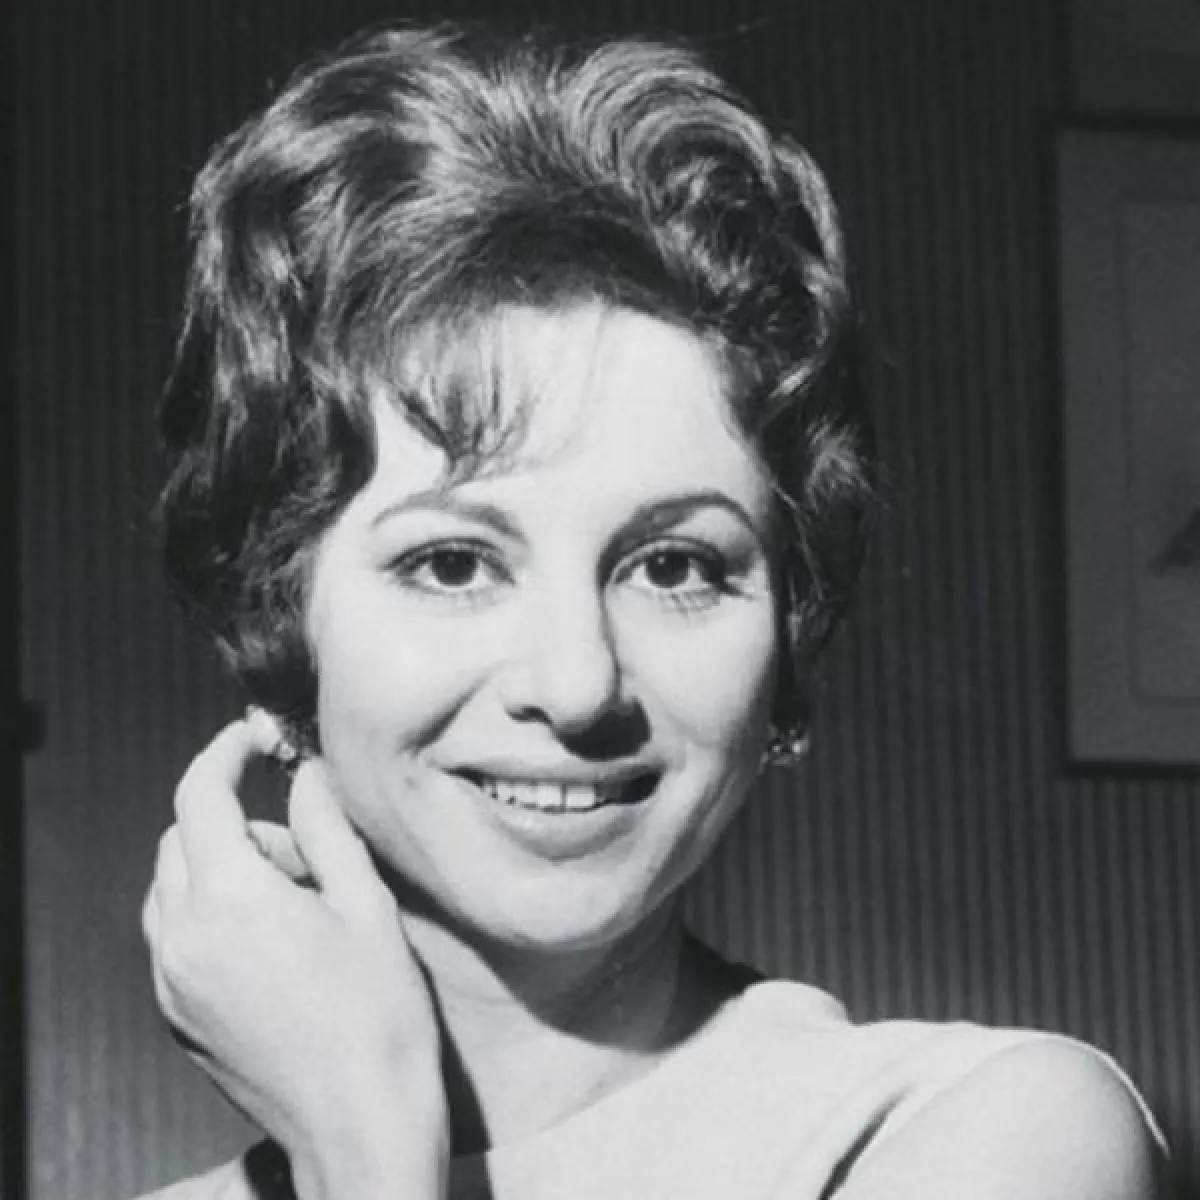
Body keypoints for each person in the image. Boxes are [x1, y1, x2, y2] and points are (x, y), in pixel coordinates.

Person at [139, 22, 1169, 1200]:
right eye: (455, 564)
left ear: (786, 643)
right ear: (278, 616)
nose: (578, 682)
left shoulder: (987, 1133)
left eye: (674, 567)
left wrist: (360, 1148)